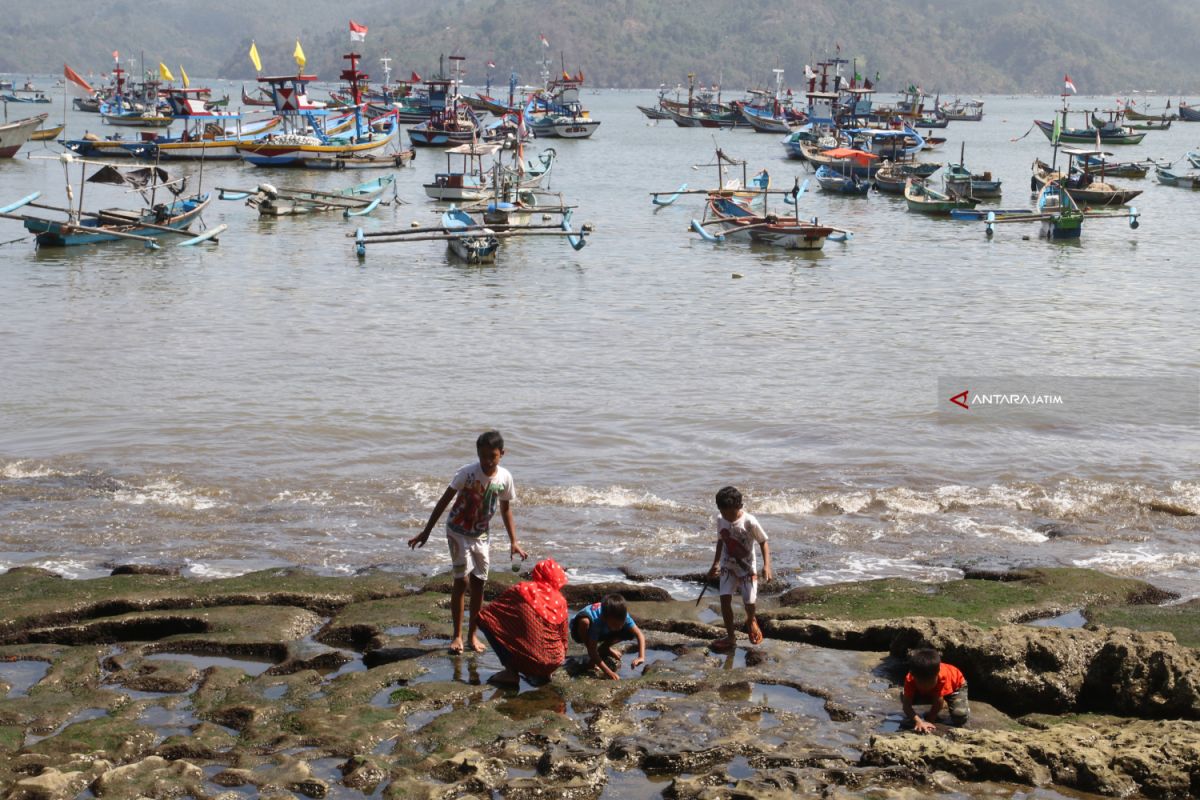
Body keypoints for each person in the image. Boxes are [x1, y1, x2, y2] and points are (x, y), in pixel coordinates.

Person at [408, 431, 528, 654]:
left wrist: (514, 541)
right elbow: (444, 501)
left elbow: (506, 509)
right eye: (482, 456)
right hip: (457, 532)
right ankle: (456, 636)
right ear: (477, 454)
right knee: (461, 581)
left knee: (479, 583)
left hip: (481, 535)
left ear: (502, 454)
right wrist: (426, 531)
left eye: (492, 456)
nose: (487, 461)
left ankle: (473, 634)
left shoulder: (505, 478)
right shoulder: (466, 473)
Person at [476, 558, 570, 687]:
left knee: (484, 618)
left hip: (533, 660)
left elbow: (492, 611)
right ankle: (545, 673)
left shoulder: (522, 590)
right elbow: (563, 636)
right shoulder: (561, 600)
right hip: (556, 661)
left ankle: (510, 673)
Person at [706, 486, 772, 651]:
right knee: (724, 599)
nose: (727, 517)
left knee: (749, 602)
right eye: (723, 512)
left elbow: (763, 542)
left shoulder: (749, 521)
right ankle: (731, 637)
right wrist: (715, 563)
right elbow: (721, 540)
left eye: (730, 513)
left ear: (739, 507)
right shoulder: (720, 518)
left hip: (747, 568)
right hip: (727, 566)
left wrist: (767, 566)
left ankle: (751, 620)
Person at [570, 594, 646, 680]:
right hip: (579, 631)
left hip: (603, 630)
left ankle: (605, 648)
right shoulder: (597, 622)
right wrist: (608, 672)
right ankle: (592, 651)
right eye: (615, 624)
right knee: (584, 622)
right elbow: (592, 651)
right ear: (604, 618)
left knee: (629, 632)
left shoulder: (623, 616)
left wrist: (641, 657)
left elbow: (640, 635)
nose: (619, 627)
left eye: (621, 624)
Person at [901, 648, 970, 732]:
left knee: (960, 716)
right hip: (934, 692)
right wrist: (918, 721)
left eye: (929, 683)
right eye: (921, 683)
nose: (925, 686)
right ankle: (941, 699)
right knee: (904, 696)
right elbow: (906, 706)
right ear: (913, 675)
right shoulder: (910, 679)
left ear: (937, 674)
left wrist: (930, 720)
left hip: (956, 686)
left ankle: (946, 700)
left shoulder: (942, 677)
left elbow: (938, 702)